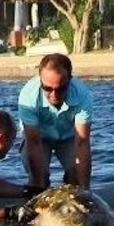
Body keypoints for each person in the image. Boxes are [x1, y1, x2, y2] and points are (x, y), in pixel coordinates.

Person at [17, 53, 93, 189]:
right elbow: (33, 143)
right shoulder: (28, 96)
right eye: (47, 88)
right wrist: (39, 188)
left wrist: (85, 191)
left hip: (69, 137)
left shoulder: (83, 95)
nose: (54, 95)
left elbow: (82, 142)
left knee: (76, 178)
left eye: (60, 89)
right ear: (40, 80)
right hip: (38, 138)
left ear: (70, 80)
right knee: (40, 179)